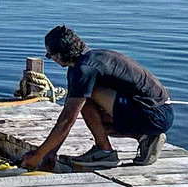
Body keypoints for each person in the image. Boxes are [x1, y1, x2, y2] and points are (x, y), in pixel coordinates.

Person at [20, 25, 172, 170]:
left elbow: (67, 119)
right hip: (160, 111)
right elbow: (68, 112)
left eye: (49, 55)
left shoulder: (85, 69)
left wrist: (37, 154)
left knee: (84, 97)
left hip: (154, 114)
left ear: (59, 55)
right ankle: (145, 138)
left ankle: (104, 151)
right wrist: (51, 152)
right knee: (95, 118)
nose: (51, 59)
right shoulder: (88, 61)